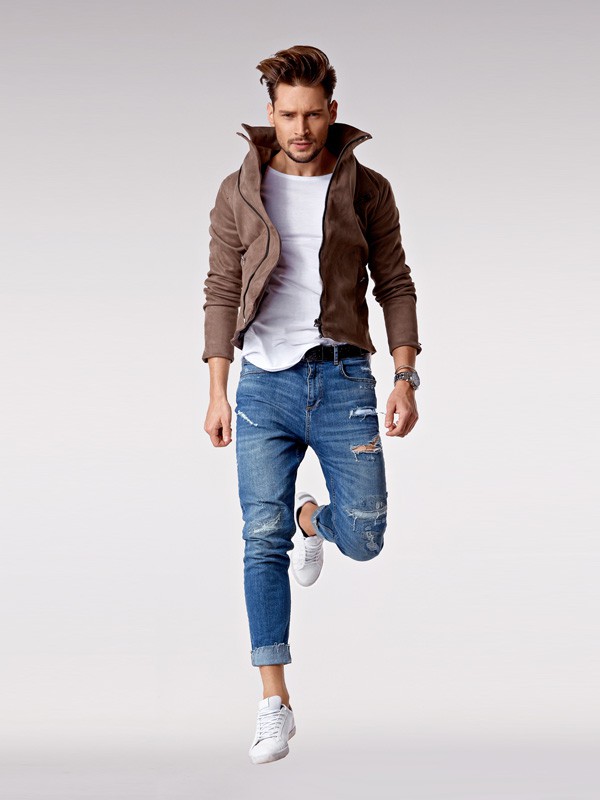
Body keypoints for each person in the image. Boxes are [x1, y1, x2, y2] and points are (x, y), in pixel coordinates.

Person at [202, 44, 422, 764]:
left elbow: (394, 282)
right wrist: (217, 390)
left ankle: (312, 520)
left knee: (364, 535)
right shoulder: (240, 191)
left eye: (313, 114)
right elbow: (220, 290)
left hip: (343, 380)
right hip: (262, 386)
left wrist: (404, 375)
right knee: (258, 540)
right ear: (271, 113)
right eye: (288, 115)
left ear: (332, 111)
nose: (301, 128)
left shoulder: (366, 188)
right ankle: (275, 702)